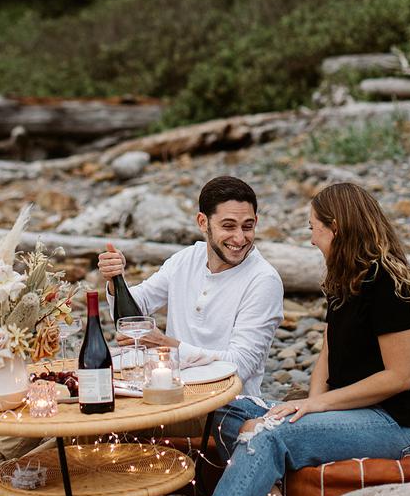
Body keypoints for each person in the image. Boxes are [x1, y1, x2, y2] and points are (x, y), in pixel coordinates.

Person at [122, 181, 410, 496]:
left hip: (394, 424)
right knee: (225, 407)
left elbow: (400, 377)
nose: (310, 237)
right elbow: (327, 355)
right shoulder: (344, 277)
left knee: (267, 433)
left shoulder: (386, 284)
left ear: (336, 228)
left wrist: (315, 408)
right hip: (347, 410)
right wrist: (312, 410)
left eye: (313, 228)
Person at [97, 175, 284, 455]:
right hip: (167, 392)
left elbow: (240, 366)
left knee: (101, 423)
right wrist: (116, 280)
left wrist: (167, 346)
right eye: (228, 226)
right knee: (87, 398)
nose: (240, 238)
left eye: (248, 226)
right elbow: (137, 309)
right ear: (202, 222)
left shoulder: (263, 280)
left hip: (221, 407)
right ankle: (29, 464)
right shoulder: (186, 259)